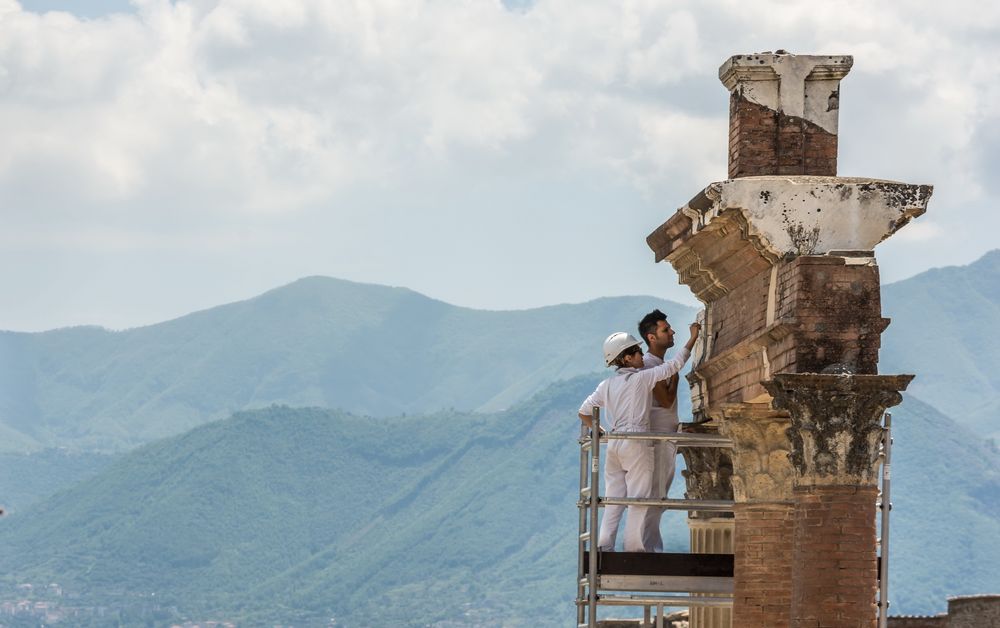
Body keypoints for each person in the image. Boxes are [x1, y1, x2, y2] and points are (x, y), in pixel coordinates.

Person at [578, 321, 701, 552]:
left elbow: (583, 412)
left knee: (614, 496)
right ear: (627, 359)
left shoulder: (606, 385)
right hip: (636, 440)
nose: (641, 355)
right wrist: (693, 338)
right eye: (637, 352)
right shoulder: (641, 379)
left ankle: (604, 545)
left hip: (614, 442)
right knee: (640, 497)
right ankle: (635, 547)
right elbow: (674, 365)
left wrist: (600, 432)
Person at [637, 309, 682, 552]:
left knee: (659, 492)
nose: (672, 331)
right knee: (653, 492)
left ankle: (649, 544)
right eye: (666, 329)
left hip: (665, 437)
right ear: (651, 337)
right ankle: (646, 547)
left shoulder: (659, 366)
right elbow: (665, 401)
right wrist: (675, 378)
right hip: (656, 439)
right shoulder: (648, 366)